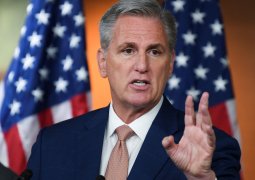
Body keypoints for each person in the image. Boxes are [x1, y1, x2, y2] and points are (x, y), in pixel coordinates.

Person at [27, 0, 241, 179]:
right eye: (128, 50)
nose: (142, 65)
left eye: (155, 52)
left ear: (170, 64)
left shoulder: (214, 150)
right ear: (103, 62)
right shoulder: (52, 145)